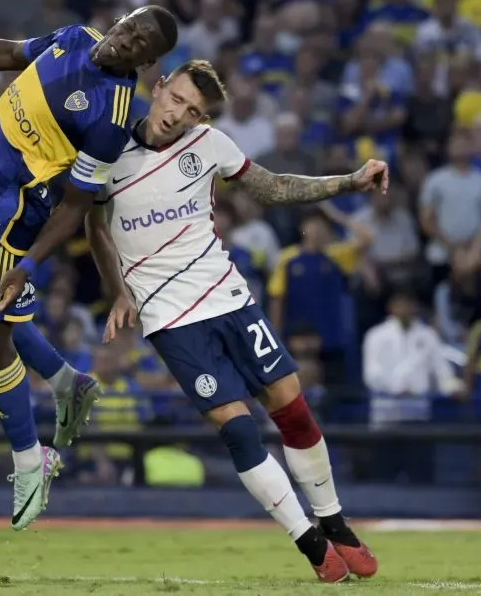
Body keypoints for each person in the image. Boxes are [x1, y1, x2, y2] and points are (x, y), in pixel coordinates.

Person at [85, 60, 386, 583]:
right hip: (169, 317)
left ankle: (334, 520)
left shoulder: (209, 144)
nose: (179, 114)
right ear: (157, 88)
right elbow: (90, 218)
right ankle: (311, 544)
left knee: (291, 407)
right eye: (176, 99)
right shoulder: (107, 150)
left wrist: (349, 181)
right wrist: (116, 291)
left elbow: (271, 187)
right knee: (239, 429)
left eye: (193, 110)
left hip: (227, 296)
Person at [0, 6, 178, 530]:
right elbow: (7, 53)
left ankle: (29, 459)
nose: (126, 41)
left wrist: (28, 263)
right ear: (121, 20)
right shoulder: (73, 35)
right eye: (129, 27)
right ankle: (67, 382)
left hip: (9, 214)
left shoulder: (111, 117)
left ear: (148, 61)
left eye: (140, 45)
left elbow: (76, 205)